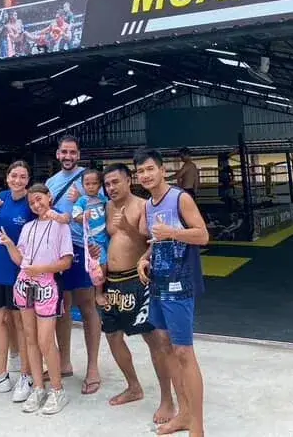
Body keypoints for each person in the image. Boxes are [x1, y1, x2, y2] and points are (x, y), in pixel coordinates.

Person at [135, 148, 209, 437]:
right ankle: (183, 414)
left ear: (162, 170)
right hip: (158, 283)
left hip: (181, 283)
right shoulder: (149, 205)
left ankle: (198, 426)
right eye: (140, 171)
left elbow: (202, 235)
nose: (145, 175)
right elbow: (156, 240)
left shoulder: (181, 198)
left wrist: (173, 234)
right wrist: (145, 257)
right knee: (164, 344)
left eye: (150, 169)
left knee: (184, 351)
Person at [98, 163, 175, 427]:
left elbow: (149, 243)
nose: (111, 188)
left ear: (129, 180)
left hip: (137, 278)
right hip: (112, 281)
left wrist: (128, 227)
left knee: (153, 338)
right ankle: (133, 386)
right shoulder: (107, 207)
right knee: (112, 335)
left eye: (115, 182)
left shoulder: (143, 205)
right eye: (107, 184)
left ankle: (167, 399)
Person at [0, 183, 73, 415]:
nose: (37, 204)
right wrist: (10, 245)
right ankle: (38, 387)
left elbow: (66, 262)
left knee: (45, 340)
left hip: (48, 285)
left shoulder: (61, 225)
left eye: (40, 199)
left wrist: (42, 268)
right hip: (24, 284)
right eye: (32, 202)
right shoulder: (28, 227)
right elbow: (21, 260)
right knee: (29, 338)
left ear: (49, 197)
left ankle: (57, 390)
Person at [45, 136, 101, 395]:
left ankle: (92, 368)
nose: (68, 156)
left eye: (72, 152)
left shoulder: (89, 179)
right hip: (57, 250)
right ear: (58, 154)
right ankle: (64, 362)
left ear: (78, 154)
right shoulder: (50, 183)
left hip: (81, 248)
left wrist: (81, 199)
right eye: (64, 152)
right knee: (62, 307)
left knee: (87, 305)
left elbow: (102, 208)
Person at [0, 161, 34, 402]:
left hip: (21, 272)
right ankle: (0, 375)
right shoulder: (0, 198)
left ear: (28, 180)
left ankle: (26, 375)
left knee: (21, 324)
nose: (18, 180)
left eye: (23, 176)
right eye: (14, 175)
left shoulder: (32, 202)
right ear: (7, 178)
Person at [70, 169, 109, 306]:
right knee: (100, 265)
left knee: (108, 263)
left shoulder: (103, 199)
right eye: (87, 183)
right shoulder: (81, 201)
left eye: (94, 183)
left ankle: (105, 289)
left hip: (105, 235)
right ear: (83, 184)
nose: (91, 186)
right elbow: (75, 217)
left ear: (99, 185)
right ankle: (98, 293)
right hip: (93, 239)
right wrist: (83, 217)